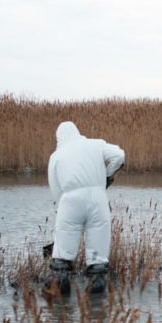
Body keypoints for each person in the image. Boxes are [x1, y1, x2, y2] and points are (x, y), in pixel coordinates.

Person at [46, 121, 125, 294]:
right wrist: (105, 178)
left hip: (69, 201)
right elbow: (119, 156)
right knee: (98, 246)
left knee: (64, 245)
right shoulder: (96, 144)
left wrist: (63, 205)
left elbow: (55, 188)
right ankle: (96, 288)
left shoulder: (56, 156)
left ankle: (61, 283)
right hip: (98, 199)